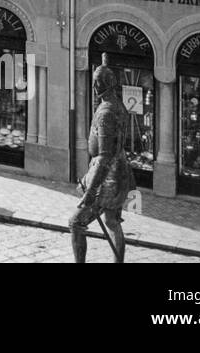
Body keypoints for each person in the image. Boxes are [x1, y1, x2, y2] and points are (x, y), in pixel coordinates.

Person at [70, 62, 137, 263]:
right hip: (120, 171)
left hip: (107, 176)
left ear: (101, 85)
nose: (94, 86)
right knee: (112, 221)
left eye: (97, 83)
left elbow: (104, 156)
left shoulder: (106, 113)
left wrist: (91, 191)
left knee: (76, 222)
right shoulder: (119, 106)